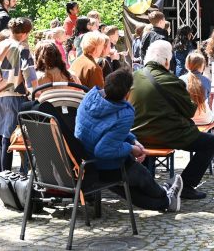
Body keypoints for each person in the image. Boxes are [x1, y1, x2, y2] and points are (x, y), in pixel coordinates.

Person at [75, 70, 183, 212]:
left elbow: (109, 131)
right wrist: (132, 149)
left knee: (127, 182)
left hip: (83, 160)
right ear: (127, 93)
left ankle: (166, 197)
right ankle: (166, 197)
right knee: (139, 175)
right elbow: (103, 150)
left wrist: (133, 141)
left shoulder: (90, 96)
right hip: (99, 164)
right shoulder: (124, 113)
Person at [130, 40, 214, 200]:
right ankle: (186, 185)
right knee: (211, 142)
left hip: (137, 136)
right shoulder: (172, 81)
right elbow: (189, 110)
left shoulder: (133, 77)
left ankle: (144, 182)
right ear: (166, 61)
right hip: (168, 136)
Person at [0, 17, 38, 174]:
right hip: (14, 95)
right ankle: (6, 176)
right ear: (26, 33)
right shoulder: (22, 48)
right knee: (7, 137)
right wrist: (34, 92)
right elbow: (30, 75)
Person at [181, 51, 214, 125]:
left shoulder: (181, 80)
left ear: (187, 65)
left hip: (187, 119)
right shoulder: (207, 81)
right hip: (205, 119)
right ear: (202, 66)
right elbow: (209, 102)